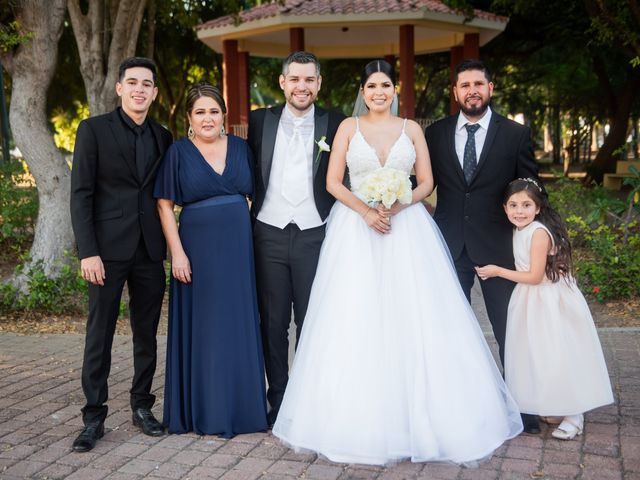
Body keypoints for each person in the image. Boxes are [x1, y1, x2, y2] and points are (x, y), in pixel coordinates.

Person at [271, 59, 523, 465]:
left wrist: (398, 202)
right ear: (362, 91)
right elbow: (334, 182)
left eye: (385, 85)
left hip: (407, 230)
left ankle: (427, 413)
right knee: (356, 316)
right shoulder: (347, 129)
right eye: (371, 86)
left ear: (394, 90)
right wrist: (368, 211)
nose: (378, 92)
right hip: (356, 230)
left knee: (416, 317)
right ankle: (354, 418)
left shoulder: (412, 129)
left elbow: (426, 181)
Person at [424, 59, 540, 433]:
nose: (471, 90)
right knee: (448, 329)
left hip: (498, 248)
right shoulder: (436, 133)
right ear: (455, 92)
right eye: (464, 85)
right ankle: (456, 406)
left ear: (490, 88)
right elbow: (418, 181)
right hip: (448, 245)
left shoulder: (515, 134)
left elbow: (532, 189)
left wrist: (538, 233)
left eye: (478, 83)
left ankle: (523, 407)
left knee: (510, 330)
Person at [70, 57, 173, 452]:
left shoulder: (163, 136)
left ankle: (142, 406)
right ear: (119, 88)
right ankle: (93, 416)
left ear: (154, 93)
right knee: (100, 334)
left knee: (146, 334)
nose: (139, 90)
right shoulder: (93, 130)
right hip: (106, 253)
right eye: (132, 82)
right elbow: (81, 194)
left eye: (147, 84)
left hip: (149, 249)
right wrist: (88, 252)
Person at [154, 83, 267, 437]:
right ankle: (204, 410)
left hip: (238, 247)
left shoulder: (240, 148)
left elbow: (258, 195)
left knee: (237, 323)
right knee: (204, 327)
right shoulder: (177, 153)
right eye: (200, 112)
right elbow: (165, 205)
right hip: (196, 249)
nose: (207, 118)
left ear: (224, 117)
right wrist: (178, 254)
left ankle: (244, 410)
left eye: (214, 111)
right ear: (189, 118)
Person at [247, 51, 345, 427]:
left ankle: (307, 401)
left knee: (312, 321)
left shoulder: (337, 123)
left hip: (315, 233)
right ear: (283, 83)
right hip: (268, 232)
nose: (302, 86)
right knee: (272, 323)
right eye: (295, 79)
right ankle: (280, 400)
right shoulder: (259, 121)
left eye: (309, 80)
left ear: (318, 84)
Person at [475, 178, 613, 440]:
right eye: (513, 205)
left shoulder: (538, 232)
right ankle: (554, 404)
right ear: (504, 208)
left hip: (549, 300)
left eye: (526, 205)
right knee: (537, 354)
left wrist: (496, 271)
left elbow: (535, 276)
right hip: (531, 300)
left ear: (537, 208)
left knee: (556, 354)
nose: (519, 210)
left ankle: (575, 414)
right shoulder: (520, 229)